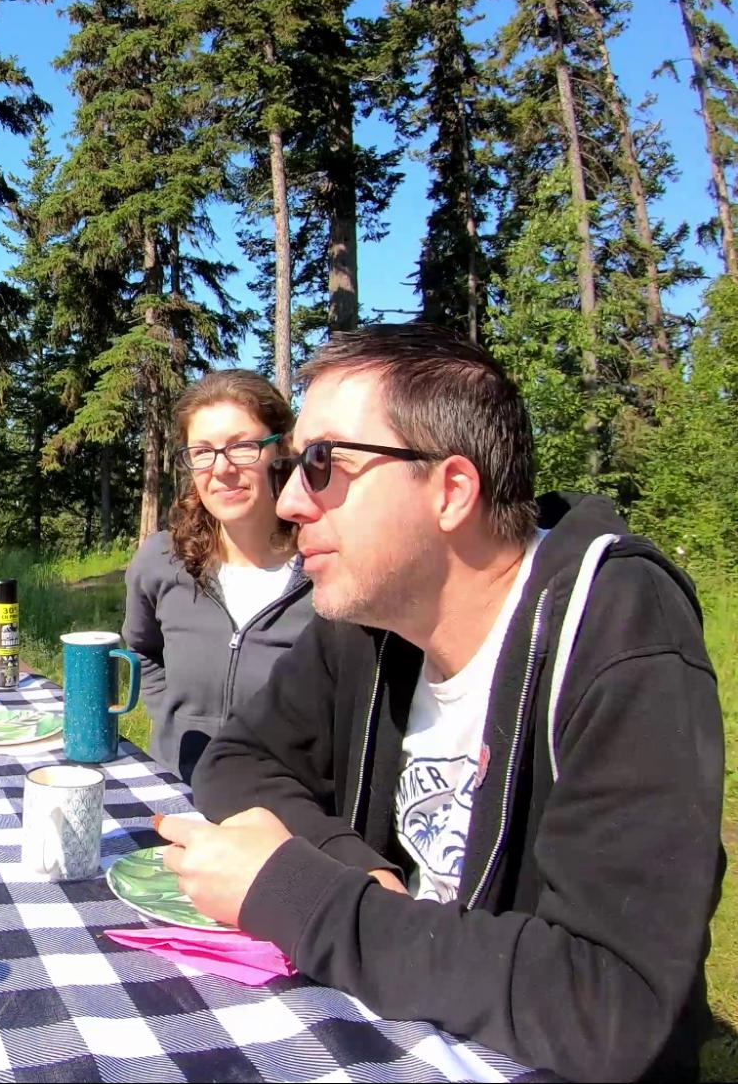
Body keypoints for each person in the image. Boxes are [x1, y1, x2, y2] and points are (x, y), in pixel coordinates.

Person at [162, 326, 722, 1081]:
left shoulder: (619, 631)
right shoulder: (371, 618)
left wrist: (303, 895)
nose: (289, 500)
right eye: (294, 466)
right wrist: (351, 868)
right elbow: (236, 759)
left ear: (452, 490)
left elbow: (611, 1002)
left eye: (322, 463)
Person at [123, 369, 315, 781]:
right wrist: (170, 714)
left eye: (242, 447)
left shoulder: (327, 574)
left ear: (282, 449)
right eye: (203, 452)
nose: (221, 468)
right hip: (175, 794)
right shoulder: (162, 561)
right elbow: (142, 650)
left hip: (283, 809)